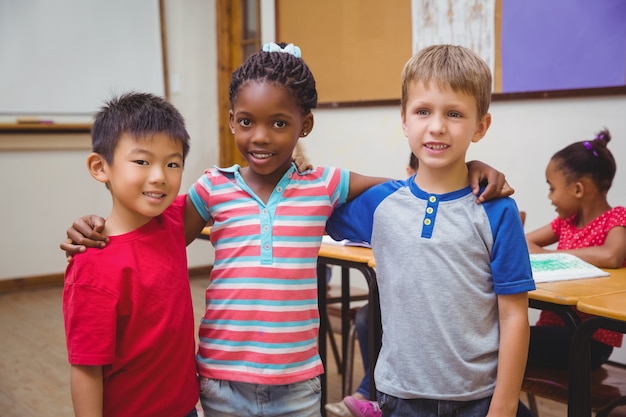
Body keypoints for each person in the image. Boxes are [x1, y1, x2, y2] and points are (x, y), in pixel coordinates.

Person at [61, 43, 512, 417]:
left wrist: (469, 165)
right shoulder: (212, 188)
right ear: (232, 120)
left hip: (298, 382)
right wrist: (97, 226)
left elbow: (407, 188)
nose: (261, 136)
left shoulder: (324, 185)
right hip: (221, 378)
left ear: (304, 125)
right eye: (246, 122)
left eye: (279, 123)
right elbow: (153, 229)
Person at [325, 44, 535, 417]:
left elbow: (514, 316)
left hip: (479, 398)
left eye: (454, 114)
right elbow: (306, 202)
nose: (436, 126)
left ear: (480, 126)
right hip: (399, 396)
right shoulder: (380, 205)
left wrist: (503, 406)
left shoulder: (496, 210)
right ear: (404, 119)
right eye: (423, 111)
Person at [62, 92, 199, 417]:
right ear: (100, 167)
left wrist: (295, 166)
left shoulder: (174, 220)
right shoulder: (91, 264)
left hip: (186, 409)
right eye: (142, 161)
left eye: (173, 163)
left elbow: (230, 186)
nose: (159, 176)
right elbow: (86, 370)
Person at [519, 128, 626, 415]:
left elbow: (613, 255)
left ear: (578, 189)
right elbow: (523, 240)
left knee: (500, 344)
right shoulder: (564, 223)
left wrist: (554, 255)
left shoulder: (616, 218)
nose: (550, 197)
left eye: (552, 187)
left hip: (590, 340)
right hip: (556, 332)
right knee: (500, 343)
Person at [326, 153, 419, 417]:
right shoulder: (390, 201)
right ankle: (373, 394)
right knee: (370, 317)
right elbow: (323, 217)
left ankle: (370, 393)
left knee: (375, 318)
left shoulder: (485, 203)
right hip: (397, 301)